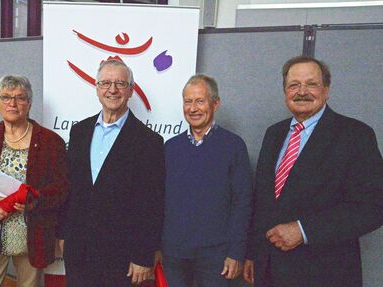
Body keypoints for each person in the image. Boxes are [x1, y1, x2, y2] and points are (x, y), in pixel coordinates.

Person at [243, 56, 383, 287]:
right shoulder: (274, 134)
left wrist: (304, 230)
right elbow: (264, 202)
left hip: (325, 272)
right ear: (285, 91)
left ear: (326, 89)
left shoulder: (355, 135)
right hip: (269, 270)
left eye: (311, 84)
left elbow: (373, 207)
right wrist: (253, 253)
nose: (302, 91)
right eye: (294, 85)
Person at [58, 59, 165, 287]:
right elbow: (70, 190)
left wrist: (142, 256)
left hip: (122, 257)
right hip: (78, 251)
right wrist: (63, 234)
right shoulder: (79, 132)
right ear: (97, 88)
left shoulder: (149, 142)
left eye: (120, 84)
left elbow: (152, 204)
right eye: (106, 83)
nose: (112, 90)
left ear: (131, 91)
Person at [0, 75, 69, 287]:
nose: (12, 103)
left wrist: (34, 199)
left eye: (20, 98)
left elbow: (62, 189)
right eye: (6, 97)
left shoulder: (49, 141)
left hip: (32, 237)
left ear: (29, 103)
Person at [161, 74, 253, 287]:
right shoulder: (170, 148)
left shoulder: (233, 146)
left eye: (200, 101)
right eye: (188, 101)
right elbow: (160, 201)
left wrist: (236, 253)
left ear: (215, 103)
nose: (193, 108)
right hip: (174, 255)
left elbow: (243, 203)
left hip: (217, 258)